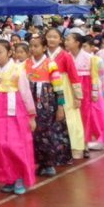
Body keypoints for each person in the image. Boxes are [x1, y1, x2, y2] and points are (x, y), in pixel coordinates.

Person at [0, 40, 37, 195]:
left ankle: (19, 176)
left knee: (15, 146)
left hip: (14, 114)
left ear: (9, 53)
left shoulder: (17, 70)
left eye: (0, 52)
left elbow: (26, 94)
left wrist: (31, 116)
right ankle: (8, 177)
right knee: (0, 146)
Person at [26, 34, 71, 177]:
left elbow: (58, 87)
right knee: (32, 133)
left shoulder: (50, 63)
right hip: (30, 102)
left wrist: (60, 106)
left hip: (46, 104)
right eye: (31, 46)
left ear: (44, 48)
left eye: (36, 46)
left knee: (47, 133)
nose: (33, 49)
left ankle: (49, 163)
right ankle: (39, 163)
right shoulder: (25, 64)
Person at [44, 28, 85, 158]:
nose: (51, 39)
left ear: (60, 40)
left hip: (64, 88)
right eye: (49, 36)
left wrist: (77, 96)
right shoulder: (41, 55)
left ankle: (73, 147)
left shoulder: (65, 55)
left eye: (55, 37)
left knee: (69, 116)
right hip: (45, 87)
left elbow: (73, 75)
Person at [67, 33, 104, 151]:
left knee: (85, 117)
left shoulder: (93, 59)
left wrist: (100, 92)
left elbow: (100, 76)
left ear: (77, 43)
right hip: (70, 90)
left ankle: (84, 144)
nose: (66, 42)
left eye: (68, 40)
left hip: (86, 91)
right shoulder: (66, 56)